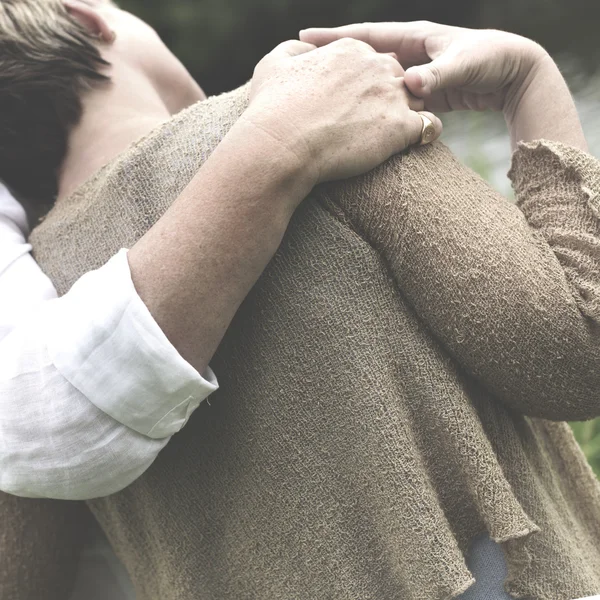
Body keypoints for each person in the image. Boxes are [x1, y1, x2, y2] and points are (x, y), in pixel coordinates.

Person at [1, 3, 599, 600]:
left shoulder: (34, 325)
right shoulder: (330, 114)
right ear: (88, 18)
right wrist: (528, 80)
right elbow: (575, 357)